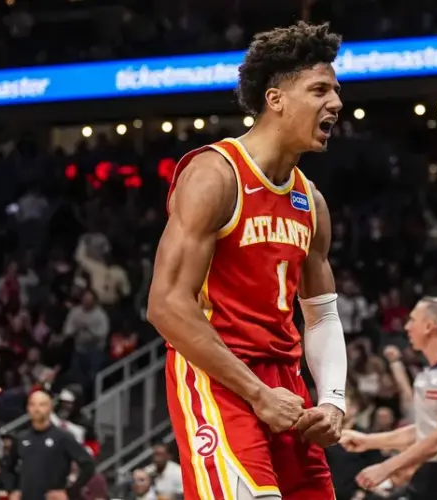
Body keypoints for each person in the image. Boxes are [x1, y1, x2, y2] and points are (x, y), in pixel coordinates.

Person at [147, 21, 347, 500]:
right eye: (319, 89)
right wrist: (256, 393)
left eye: (336, 91)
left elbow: (321, 313)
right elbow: (167, 305)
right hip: (218, 374)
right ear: (275, 99)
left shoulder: (311, 201)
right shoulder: (215, 176)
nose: (335, 103)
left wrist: (334, 400)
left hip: (285, 381)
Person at [341, 297, 437, 500]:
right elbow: (425, 431)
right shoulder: (428, 374)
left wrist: (386, 467)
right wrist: (369, 441)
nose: (407, 327)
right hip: (429, 476)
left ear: (429, 326)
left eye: (412, 320)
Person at [9, 390, 95, 500]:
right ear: (27, 408)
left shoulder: (63, 437)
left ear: (50, 408)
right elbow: (8, 467)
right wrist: (13, 489)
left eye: (42, 404)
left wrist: (69, 492)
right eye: (32, 404)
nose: (37, 409)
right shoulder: (21, 437)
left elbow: (88, 464)